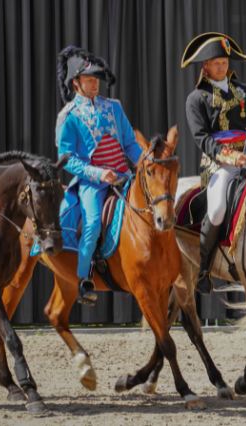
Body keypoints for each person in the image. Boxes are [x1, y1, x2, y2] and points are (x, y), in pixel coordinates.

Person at [182, 33, 246, 295]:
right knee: (218, 207)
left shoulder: (243, 91)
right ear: (205, 66)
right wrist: (230, 157)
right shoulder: (196, 99)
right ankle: (205, 269)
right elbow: (202, 139)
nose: (222, 67)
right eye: (216, 63)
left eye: (225, 62)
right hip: (218, 164)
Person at [55, 46, 142, 305]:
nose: (95, 84)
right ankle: (85, 279)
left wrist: (144, 166)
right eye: (89, 79)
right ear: (75, 83)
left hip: (124, 176)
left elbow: (130, 144)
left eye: (96, 79)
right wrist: (97, 173)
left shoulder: (114, 107)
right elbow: (68, 160)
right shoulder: (68, 117)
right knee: (92, 223)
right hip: (92, 182)